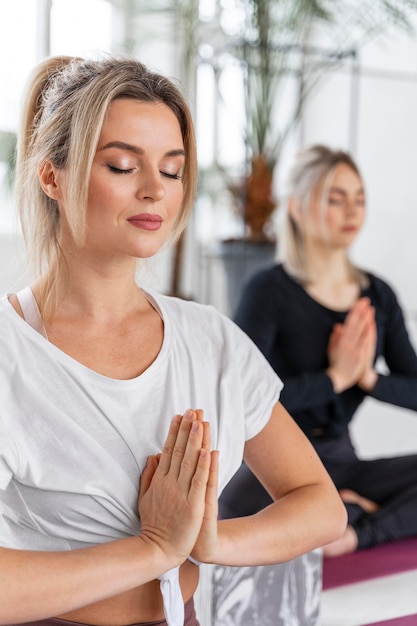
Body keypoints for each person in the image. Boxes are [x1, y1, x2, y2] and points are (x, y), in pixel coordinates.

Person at [0, 58, 346, 626]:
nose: (153, 191)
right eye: (121, 165)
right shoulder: (12, 353)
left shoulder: (209, 339)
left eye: (173, 170)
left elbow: (319, 505)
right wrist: (154, 547)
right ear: (51, 177)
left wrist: (210, 542)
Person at [219, 143, 417, 558]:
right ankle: (347, 512)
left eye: (359, 200)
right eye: (335, 198)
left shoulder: (377, 295)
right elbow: (238, 398)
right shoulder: (267, 292)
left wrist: (368, 379)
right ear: (297, 208)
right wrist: (335, 379)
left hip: (341, 458)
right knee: (224, 523)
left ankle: (353, 529)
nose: (352, 212)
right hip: (275, 465)